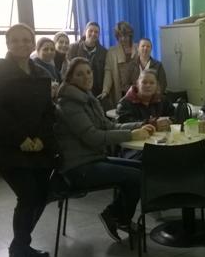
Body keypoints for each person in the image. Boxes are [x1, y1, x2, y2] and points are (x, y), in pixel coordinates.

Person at [0, 23, 59, 257]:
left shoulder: (41, 72)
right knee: (27, 195)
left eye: (27, 40)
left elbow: (48, 111)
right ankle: (17, 252)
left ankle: (23, 244)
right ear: (7, 42)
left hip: (38, 146)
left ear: (32, 42)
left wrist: (39, 139)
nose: (22, 44)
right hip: (6, 146)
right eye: (15, 40)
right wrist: (21, 139)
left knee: (41, 196)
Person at [55, 58, 155, 242]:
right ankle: (118, 217)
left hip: (93, 159)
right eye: (79, 74)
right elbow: (93, 136)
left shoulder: (87, 98)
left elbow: (109, 125)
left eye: (89, 72)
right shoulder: (69, 103)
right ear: (69, 78)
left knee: (141, 168)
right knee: (135, 176)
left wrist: (141, 125)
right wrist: (132, 135)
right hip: (78, 168)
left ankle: (116, 216)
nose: (86, 77)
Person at [65, 22, 108, 108]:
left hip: (96, 93)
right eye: (90, 31)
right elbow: (67, 71)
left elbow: (105, 73)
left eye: (96, 32)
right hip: (76, 91)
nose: (93, 34)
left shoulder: (104, 52)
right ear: (85, 32)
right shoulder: (73, 48)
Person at [102, 21, 136, 104]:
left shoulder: (139, 48)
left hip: (137, 92)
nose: (123, 39)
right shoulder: (111, 51)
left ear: (130, 35)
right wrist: (105, 90)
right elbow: (108, 72)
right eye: (120, 36)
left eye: (125, 36)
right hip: (120, 93)